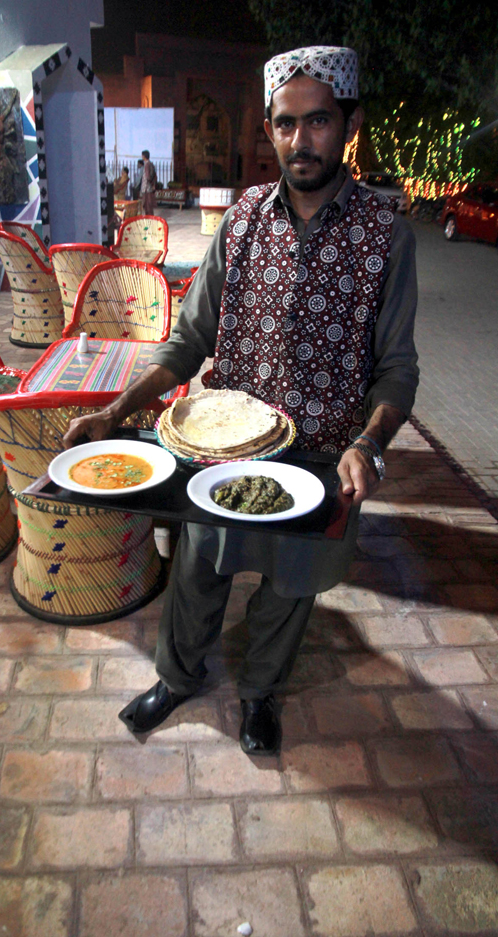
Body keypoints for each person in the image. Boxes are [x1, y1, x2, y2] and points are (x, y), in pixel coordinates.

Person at [63, 46, 419, 756]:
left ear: (349, 122)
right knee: (197, 568)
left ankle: (259, 693)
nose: (298, 140)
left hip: (321, 456)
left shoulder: (385, 236)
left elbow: (397, 368)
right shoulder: (245, 218)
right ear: (269, 128)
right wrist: (115, 411)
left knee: (290, 588)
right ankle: (177, 675)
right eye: (284, 124)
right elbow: (188, 337)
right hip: (219, 451)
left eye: (317, 121)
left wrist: (368, 442)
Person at [140, 149, 157, 214]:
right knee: (149, 205)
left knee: (147, 205)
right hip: (149, 187)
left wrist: (149, 182)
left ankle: (149, 218)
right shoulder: (151, 164)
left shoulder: (146, 165)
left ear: (144, 156)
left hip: (146, 187)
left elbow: (147, 176)